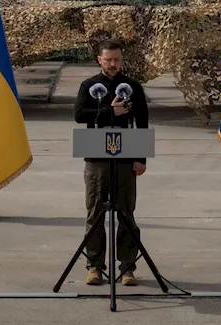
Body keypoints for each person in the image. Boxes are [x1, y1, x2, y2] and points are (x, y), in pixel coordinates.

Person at [74, 39, 149, 287]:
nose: (113, 64)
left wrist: (141, 158)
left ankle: (127, 267)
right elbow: (79, 115)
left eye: (117, 59)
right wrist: (109, 112)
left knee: (126, 213)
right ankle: (95, 266)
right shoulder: (89, 85)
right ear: (99, 59)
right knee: (95, 212)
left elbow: (142, 121)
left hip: (126, 158)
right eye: (108, 60)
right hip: (96, 159)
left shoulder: (133, 87)